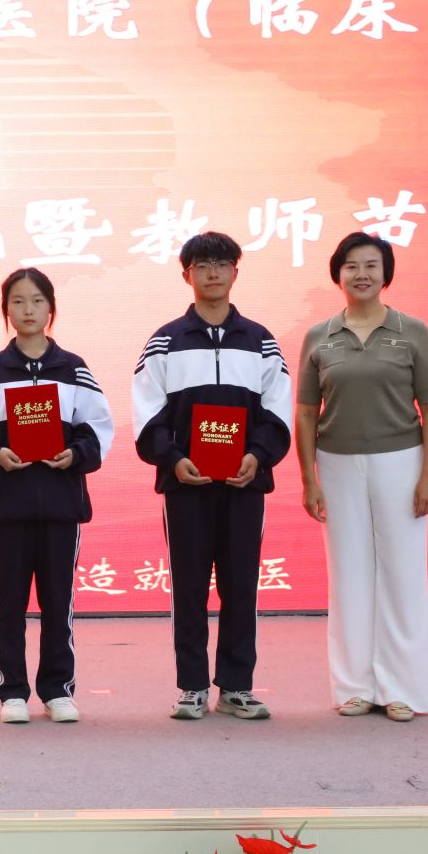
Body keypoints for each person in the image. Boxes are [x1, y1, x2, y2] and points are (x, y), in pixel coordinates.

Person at [130, 231, 293, 722]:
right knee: (189, 587)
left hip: (244, 486)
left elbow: (277, 408)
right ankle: (193, 687)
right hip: (186, 486)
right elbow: (147, 412)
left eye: (222, 264)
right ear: (187, 275)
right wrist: (173, 458)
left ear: (236, 272)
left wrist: (258, 455)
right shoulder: (165, 342)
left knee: (241, 586)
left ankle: (237, 687)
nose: (213, 273)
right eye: (202, 265)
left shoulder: (261, 341)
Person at [0, 267, 115, 724]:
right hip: (8, 508)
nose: (28, 310)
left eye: (37, 301)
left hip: (62, 506)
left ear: (51, 308)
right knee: (9, 605)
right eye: (18, 301)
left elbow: (98, 427)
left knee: (59, 602)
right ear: (6, 310)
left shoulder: (73, 368)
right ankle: (12, 693)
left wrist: (76, 453)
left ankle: (58, 690)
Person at [295, 233, 428, 723]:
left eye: (371, 265)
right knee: (349, 574)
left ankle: (402, 689)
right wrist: (309, 478)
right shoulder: (319, 336)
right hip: (337, 464)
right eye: (351, 266)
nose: (361, 274)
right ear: (337, 274)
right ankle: (355, 687)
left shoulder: (412, 331)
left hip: (401, 460)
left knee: (402, 574)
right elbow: (306, 412)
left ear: (386, 274)